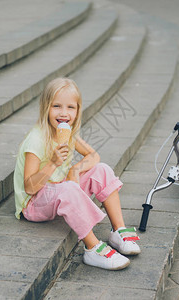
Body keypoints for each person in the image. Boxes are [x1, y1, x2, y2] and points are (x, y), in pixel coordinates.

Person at [14, 77, 140, 270]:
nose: (64, 113)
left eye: (70, 107)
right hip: (34, 204)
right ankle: (92, 248)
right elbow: (30, 188)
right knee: (68, 189)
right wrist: (54, 164)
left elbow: (93, 155)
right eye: (57, 106)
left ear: (78, 110)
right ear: (45, 108)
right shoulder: (37, 140)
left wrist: (75, 169)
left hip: (57, 188)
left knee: (102, 170)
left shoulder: (68, 133)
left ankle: (118, 230)